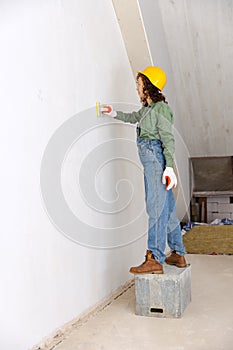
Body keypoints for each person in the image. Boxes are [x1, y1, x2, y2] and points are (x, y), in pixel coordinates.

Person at [101, 66, 187, 274]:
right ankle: (178, 253)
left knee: (155, 208)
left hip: (156, 159)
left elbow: (167, 139)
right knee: (166, 208)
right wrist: (114, 113)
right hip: (150, 159)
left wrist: (168, 167)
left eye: (139, 84)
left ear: (149, 87)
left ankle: (154, 258)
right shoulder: (147, 109)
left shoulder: (161, 109)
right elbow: (133, 117)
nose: (137, 88)